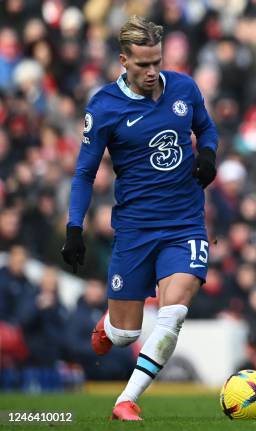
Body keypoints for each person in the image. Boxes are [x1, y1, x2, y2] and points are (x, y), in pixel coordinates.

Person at [60, 16, 218, 421]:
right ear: (123, 60)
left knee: (174, 312)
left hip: (185, 224)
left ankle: (126, 399)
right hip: (135, 228)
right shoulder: (104, 107)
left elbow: (207, 129)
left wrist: (208, 154)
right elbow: (83, 173)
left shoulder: (183, 87)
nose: (152, 73)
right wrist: (74, 227)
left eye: (157, 63)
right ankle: (110, 327)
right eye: (142, 65)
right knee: (125, 333)